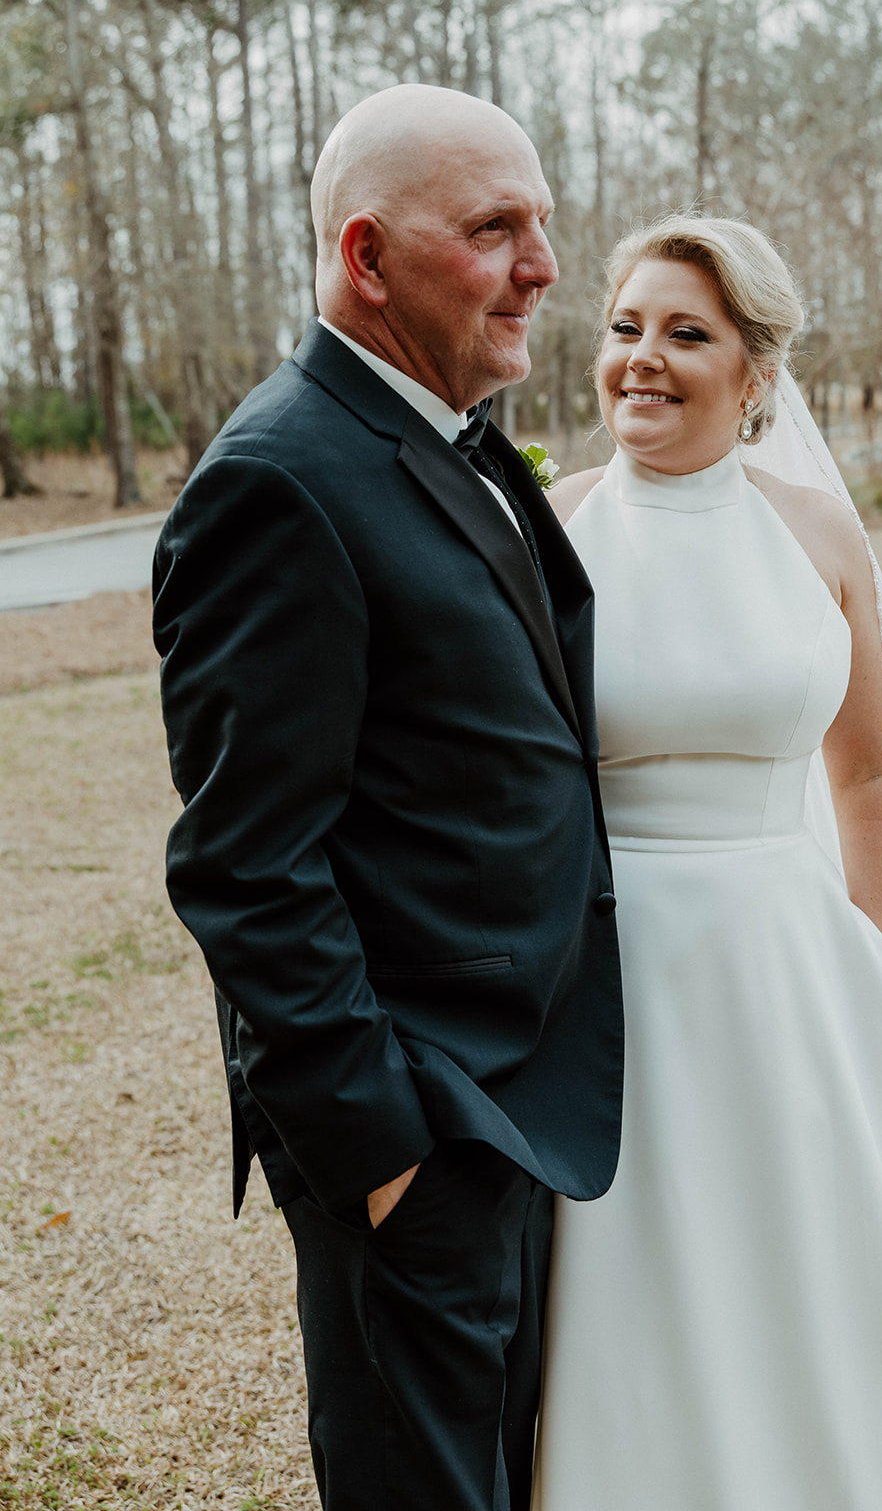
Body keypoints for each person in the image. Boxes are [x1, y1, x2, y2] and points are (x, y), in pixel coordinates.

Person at [531, 215, 882, 1510]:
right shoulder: (550, 530)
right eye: (624, 328)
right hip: (613, 983)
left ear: (757, 372)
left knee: (819, 1282)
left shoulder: (820, 535)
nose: (641, 359)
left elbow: (872, 776)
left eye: (686, 334)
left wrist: (877, 973)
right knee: (648, 1295)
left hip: (798, 979)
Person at [152, 83, 623, 1511]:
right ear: (367, 258)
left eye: (542, 224)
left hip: (515, 1106)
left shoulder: (453, 437)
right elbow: (246, 866)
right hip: (421, 1130)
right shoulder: (279, 483)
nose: (545, 265)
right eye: (496, 229)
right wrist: (385, 1158)